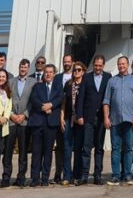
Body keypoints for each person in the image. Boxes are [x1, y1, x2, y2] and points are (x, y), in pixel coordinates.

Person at [103, 55, 133, 185]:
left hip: (129, 120)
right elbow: (106, 101)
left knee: (129, 148)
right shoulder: (112, 81)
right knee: (116, 148)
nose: (121, 66)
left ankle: (128, 175)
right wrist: (106, 118)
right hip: (115, 120)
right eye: (119, 64)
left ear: (128, 65)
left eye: (123, 64)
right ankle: (116, 175)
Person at [76, 54, 110, 185]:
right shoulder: (86, 77)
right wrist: (79, 115)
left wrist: (109, 116)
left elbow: (110, 97)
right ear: (93, 65)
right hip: (88, 118)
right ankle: (84, 176)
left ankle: (97, 176)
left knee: (99, 148)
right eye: (96, 65)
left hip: (102, 118)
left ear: (103, 65)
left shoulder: (108, 77)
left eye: (100, 65)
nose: (97, 67)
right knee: (86, 147)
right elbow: (81, 98)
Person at [28, 63, 63, 186]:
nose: (48, 74)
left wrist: (51, 105)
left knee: (48, 152)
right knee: (36, 152)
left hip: (51, 124)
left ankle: (45, 179)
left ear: (54, 74)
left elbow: (60, 98)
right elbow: (33, 98)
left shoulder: (58, 86)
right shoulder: (38, 86)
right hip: (38, 123)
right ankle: (35, 178)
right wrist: (43, 107)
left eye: (50, 72)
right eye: (46, 72)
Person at [3, 59, 35, 187]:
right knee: (8, 151)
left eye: (25, 67)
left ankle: (21, 177)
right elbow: (5, 100)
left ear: (28, 69)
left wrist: (25, 115)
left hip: (24, 121)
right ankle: (6, 176)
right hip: (11, 121)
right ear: (19, 68)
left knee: (23, 151)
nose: (23, 69)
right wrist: (11, 115)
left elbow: (33, 101)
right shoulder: (10, 82)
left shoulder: (33, 83)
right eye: (21, 67)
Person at [61, 61, 87, 185]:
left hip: (80, 120)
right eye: (74, 70)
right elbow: (64, 103)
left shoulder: (85, 85)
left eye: (79, 70)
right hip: (68, 118)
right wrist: (61, 117)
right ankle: (66, 175)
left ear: (83, 71)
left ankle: (77, 174)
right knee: (67, 148)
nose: (76, 72)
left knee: (78, 148)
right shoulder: (68, 84)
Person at [53, 54, 73, 184]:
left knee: (70, 146)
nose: (66, 63)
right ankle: (58, 173)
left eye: (68, 61)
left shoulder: (78, 76)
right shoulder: (57, 77)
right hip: (59, 115)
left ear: (72, 62)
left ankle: (71, 173)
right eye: (64, 61)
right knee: (60, 146)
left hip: (74, 115)